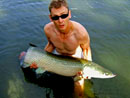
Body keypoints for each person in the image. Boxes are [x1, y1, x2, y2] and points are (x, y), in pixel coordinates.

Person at [44, 0, 92, 97]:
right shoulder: (48, 29)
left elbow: (86, 50)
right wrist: (40, 59)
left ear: (69, 14)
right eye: (55, 17)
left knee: (79, 91)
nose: (60, 20)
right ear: (51, 18)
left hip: (76, 59)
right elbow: (50, 44)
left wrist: (87, 70)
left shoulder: (80, 32)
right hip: (58, 56)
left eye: (63, 15)